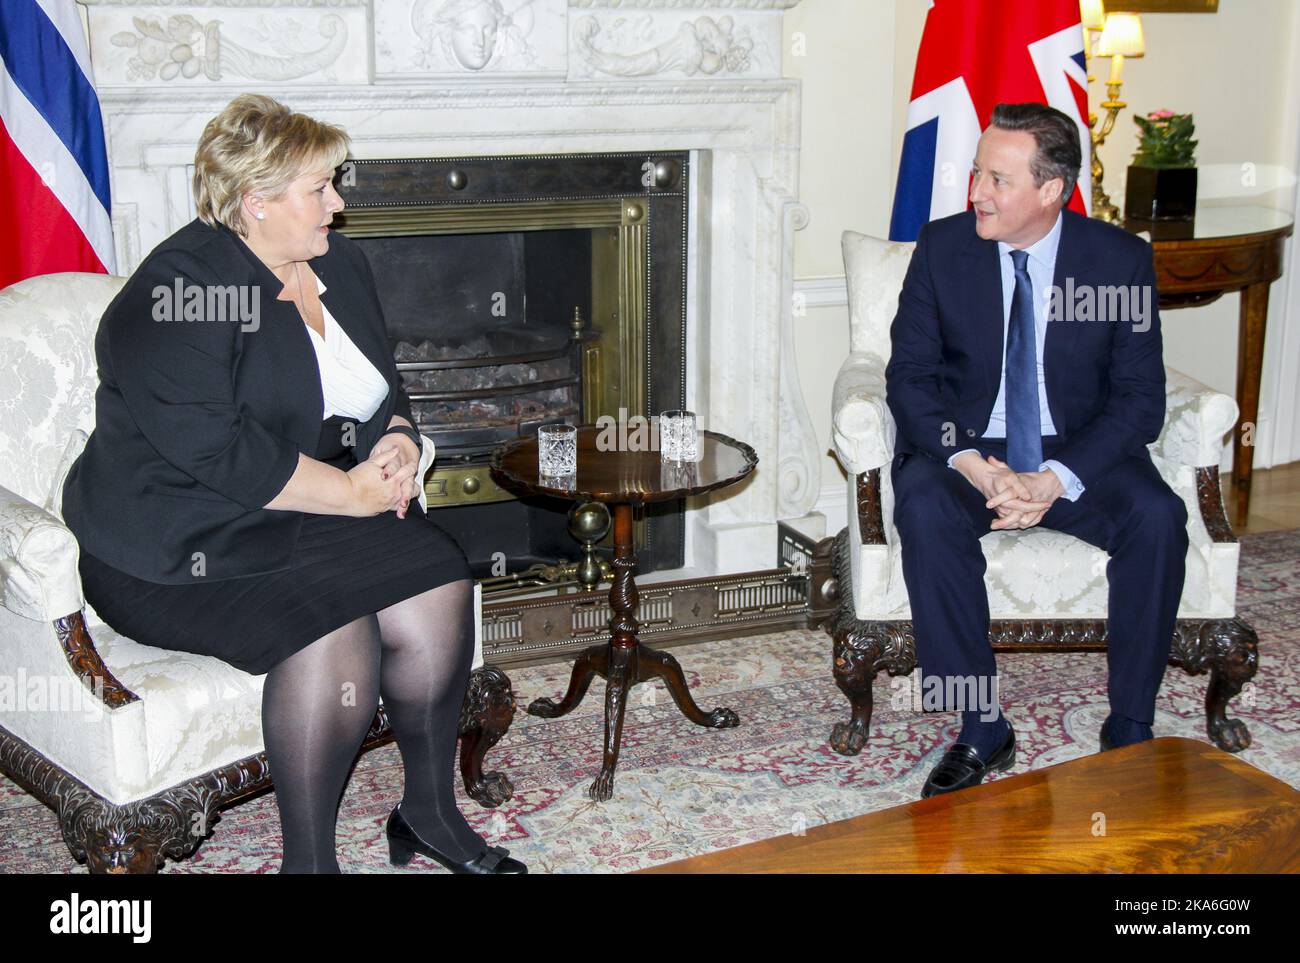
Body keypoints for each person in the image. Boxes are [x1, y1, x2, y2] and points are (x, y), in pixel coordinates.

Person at [60, 93, 525, 874]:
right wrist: (353, 495)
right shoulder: (181, 292)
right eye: (320, 187)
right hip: (172, 541)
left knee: (441, 575)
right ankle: (308, 865)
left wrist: (401, 443)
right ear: (256, 200)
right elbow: (222, 455)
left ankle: (428, 811)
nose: (338, 203)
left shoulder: (335, 262)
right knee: (332, 630)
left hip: (292, 508)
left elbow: (384, 386)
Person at [885, 102, 1187, 799]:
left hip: (1076, 450)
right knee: (925, 504)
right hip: (972, 448)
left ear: (1051, 190)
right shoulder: (943, 247)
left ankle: (1131, 724)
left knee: (1159, 516)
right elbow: (910, 376)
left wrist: (1053, 478)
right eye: (975, 173)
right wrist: (968, 461)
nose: (975, 192)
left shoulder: (1115, 263)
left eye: (997, 178)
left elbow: (1141, 401)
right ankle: (981, 722)